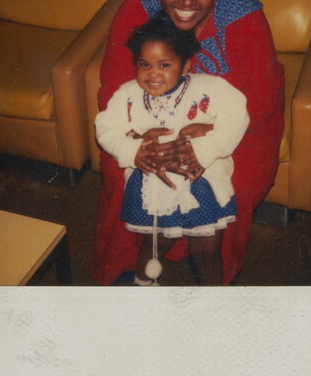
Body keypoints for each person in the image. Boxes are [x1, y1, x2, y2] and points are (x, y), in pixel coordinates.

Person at [89, 0, 285, 286]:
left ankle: (213, 270)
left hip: (234, 127)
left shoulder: (245, 19)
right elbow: (113, 89)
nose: (187, 1)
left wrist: (204, 141)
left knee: (238, 182)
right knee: (121, 173)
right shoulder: (135, 11)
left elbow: (259, 104)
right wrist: (139, 144)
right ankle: (129, 263)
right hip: (146, 123)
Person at [95, 14, 250, 286]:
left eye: (164, 65)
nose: (153, 74)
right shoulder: (128, 94)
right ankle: (143, 285)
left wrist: (205, 147)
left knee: (206, 250)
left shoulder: (209, 87)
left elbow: (237, 115)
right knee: (155, 243)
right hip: (155, 185)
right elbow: (105, 126)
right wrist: (133, 150)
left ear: (186, 64)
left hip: (201, 180)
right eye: (144, 65)